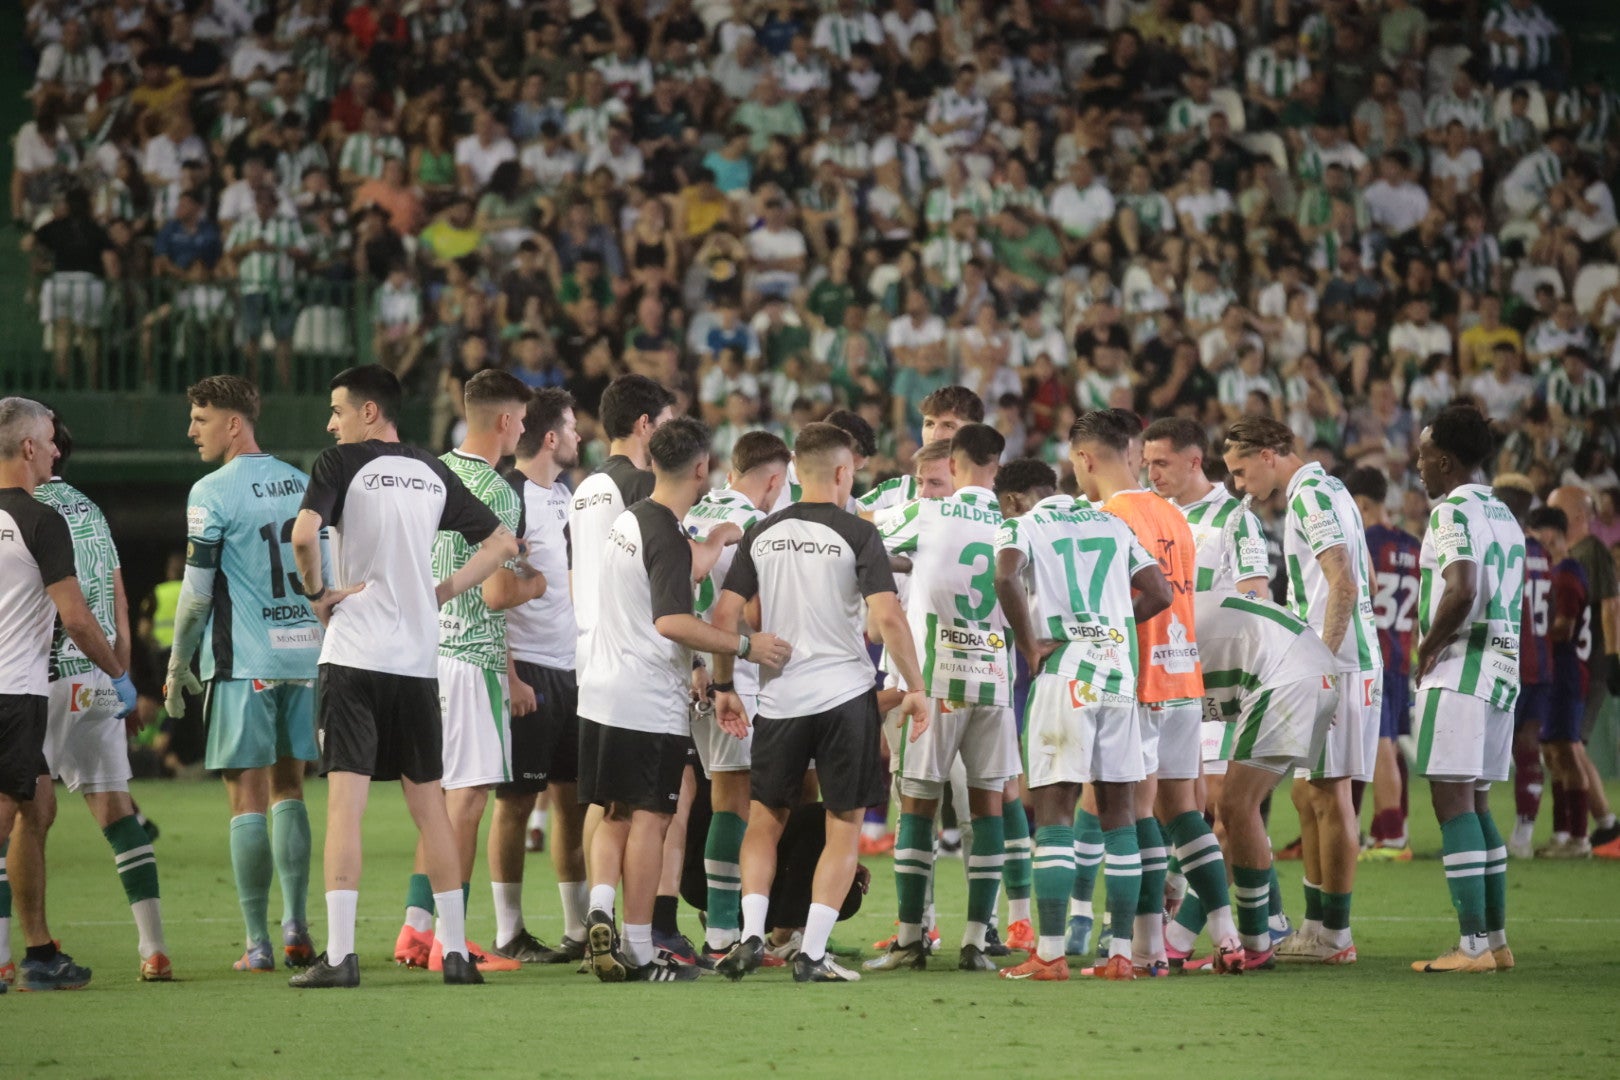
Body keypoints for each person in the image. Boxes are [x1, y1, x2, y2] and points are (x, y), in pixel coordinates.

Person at [287, 366, 518, 989]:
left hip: (355, 654)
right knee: (432, 811)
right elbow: (502, 544)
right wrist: (437, 592)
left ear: (368, 412)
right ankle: (455, 954)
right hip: (418, 663)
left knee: (346, 808)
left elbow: (304, 534)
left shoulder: (338, 464)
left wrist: (318, 594)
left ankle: (341, 956)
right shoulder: (431, 469)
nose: (330, 423)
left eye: (337, 410)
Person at [712, 422, 927, 984]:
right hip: (844, 697)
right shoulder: (858, 534)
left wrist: (724, 683)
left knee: (764, 821)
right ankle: (811, 952)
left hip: (781, 699)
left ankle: (752, 934)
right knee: (843, 826)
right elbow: (888, 617)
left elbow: (725, 615)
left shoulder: (762, 532)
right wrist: (917, 687)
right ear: (840, 473)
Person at [579, 417, 790, 983]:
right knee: (653, 818)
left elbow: (671, 568)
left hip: (600, 692)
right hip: (645, 698)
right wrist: (746, 646)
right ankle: (643, 952)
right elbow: (672, 619)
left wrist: (716, 540)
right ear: (702, 469)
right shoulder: (668, 537)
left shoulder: (634, 520)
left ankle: (600, 909)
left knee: (616, 813)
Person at [162, 376, 324, 974]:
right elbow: (321, 568)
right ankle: (297, 930)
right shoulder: (304, 482)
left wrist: (179, 662)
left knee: (244, 798)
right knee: (291, 788)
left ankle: (257, 943)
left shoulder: (211, 491)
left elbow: (197, 595)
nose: (191, 431)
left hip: (243, 664)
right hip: (304, 658)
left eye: (200, 419)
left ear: (235, 424)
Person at [991, 457, 1170, 981]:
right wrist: (1113, 624)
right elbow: (1159, 592)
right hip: (1118, 677)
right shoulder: (1113, 523)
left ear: (1013, 499)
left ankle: (1049, 954)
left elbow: (1005, 575)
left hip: (1065, 674)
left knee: (1055, 816)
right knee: (1119, 817)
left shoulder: (1021, 525)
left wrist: (1028, 642)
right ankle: (1118, 954)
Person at [1072, 409, 1233, 977]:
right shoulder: (1174, 513)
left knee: (1135, 813)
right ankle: (1229, 937)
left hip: (1138, 682)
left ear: (1085, 459)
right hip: (1186, 674)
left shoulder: (1106, 517)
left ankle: (1146, 951)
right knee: (1184, 812)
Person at [396, 370, 543, 974]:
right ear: (506, 422)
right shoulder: (500, 491)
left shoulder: (429, 472)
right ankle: (447, 943)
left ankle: (416, 929)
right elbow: (496, 594)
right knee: (467, 801)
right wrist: (536, 583)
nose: (525, 430)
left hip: (425, 653)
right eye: (523, 420)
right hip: (470, 656)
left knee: (439, 800)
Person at [1223, 414, 1380, 966]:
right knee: (1307, 793)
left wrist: (1319, 659)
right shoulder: (1330, 489)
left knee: (1331, 792)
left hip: (1337, 663)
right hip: (1343, 657)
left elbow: (1344, 582)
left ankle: (1334, 934)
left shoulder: (1310, 497)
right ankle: (1317, 926)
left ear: (1271, 453)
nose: (1241, 487)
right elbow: (1366, 578)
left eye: (1242, 473)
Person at [16, 415, 167, 983]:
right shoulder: (91, 509)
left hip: (40, 677)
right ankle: (154, 949)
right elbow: (120, 601)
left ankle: (20, 952)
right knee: (117, 811)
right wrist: (120, 675)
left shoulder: (19, 512)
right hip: (100, 679)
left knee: (24, 817)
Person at [864, 424, 1019, 974]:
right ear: (995, 468)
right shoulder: (1011, 523)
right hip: (995, 682)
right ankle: (977, 940)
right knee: (989, 808)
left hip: (936, 681)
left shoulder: (928, 515)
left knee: (918, 805)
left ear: (953, 466)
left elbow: (866, 530)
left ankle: (911, 939)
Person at [1140, 415, 1277, 964]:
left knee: (1223, 810)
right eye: (1146, 462)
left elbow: (1257, 597)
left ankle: (1181, 937)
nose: (1152, 472)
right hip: (1171, 681)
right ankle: (1265, 917)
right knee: (1183, 808)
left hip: (1222, 685)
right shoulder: (1152, 516)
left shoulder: (1233, 520)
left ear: (1195, 461)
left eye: (1162, 462)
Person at [1410, 404, 1524, 973]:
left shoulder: (1451, 511)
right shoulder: (1504, 513)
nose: (1419, 466)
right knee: (1477, 803)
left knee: (1451, 801)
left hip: (1461, 669)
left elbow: (1461, 588)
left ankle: (1472, 945)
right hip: (1503, 669)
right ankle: (1496, 942)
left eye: (1425, 456)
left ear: (1447, 460)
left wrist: (1428, 645)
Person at [487, 389, 587, 964]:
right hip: (528, 669)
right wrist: (511, 675)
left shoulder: (566, 496)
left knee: (571, 803)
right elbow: (494, 595)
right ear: (551, 437)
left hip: (572, 670)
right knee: (517, 802)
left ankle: (577, 929)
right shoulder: (511, 495)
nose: (578, 436)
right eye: (571, 427)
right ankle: (509, 931)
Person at [684, 431, 792, 963]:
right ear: (774, 479)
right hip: (734, 675)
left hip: (690, 669)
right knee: (733, 800)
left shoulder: (695, 512)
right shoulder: (758, 526)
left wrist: (697, 664)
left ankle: (722, 927)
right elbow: (750, 612)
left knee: (717, 797)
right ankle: (723, 933)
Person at [1193, 589, 1339, 970]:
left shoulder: (1156, 638)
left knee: (1235, 805)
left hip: (1288, 677)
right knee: (1237, 809)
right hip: (1313, 669)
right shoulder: (1186, 612)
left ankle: (1256, 939)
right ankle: (1254, 934)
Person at [1348, 466, 1422, 859]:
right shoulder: (1413, 545)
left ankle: (1391, 834)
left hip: (1370, 653)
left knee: (1378, 746)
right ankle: (1390, 827)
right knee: (1386, 745)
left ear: (1360, 503)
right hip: (1399, 653)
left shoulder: (1364, 542)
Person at [1546, 486, 1620, 856]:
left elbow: (1609, 606)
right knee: (1566, 746)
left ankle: (1605, 826)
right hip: (1574, 663)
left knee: (1573, 745)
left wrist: (1614, 657)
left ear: (1575, 515)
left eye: (1555, 511)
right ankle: (1581, 830)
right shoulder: (1573, 555)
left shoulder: (1591, 552)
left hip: (1589, 664)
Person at [1525, 506, 1598, 859]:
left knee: (1567, 754)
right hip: (1557, 672)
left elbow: (1565, 627)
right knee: (1553, 755)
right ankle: (1562, 833)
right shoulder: (1559, 572)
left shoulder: (1567, 574)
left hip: (1568, 672)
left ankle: (1580, 838)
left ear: (1551, 534)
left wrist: (1535, 637)